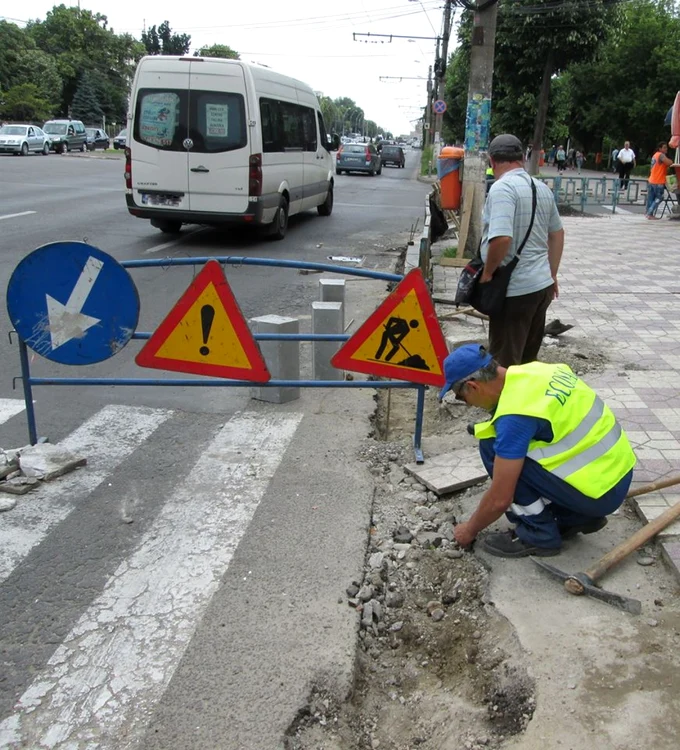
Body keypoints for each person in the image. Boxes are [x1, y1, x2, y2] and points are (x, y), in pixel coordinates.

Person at [439, 344, 636, 557]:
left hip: (599, 495)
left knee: (491, 446)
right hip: (619, 475)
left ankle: (539, 534)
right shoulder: (540, 371)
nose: (467, 404)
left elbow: (499, 499)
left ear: (473, 386)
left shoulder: (515, 418)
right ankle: (576, 517)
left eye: (461, 397)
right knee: (515, 447)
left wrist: (469, 530)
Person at [480, 133, 565, 367]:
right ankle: (525, 403)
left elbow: (501, 238)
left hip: (515, 290)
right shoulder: (541, 188)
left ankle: (502, 404)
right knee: (528, 362)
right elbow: (557, 234)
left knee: (504, 364)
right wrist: (552, 273)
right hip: (542, 287)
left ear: (492, 160)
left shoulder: (502, 189)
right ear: (522, 158)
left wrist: (488, 273)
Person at [645, 141, 674, 220]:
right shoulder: (661, 155)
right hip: (658, 181)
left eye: (666, 147)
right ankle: (649, 212)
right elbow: (669, 162)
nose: (666, 149)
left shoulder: (655, 155)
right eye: (664, 147)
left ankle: (649, 214)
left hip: (651, 180)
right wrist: (670, 160)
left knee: (651, 198)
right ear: (660, 148)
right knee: (659, 198)